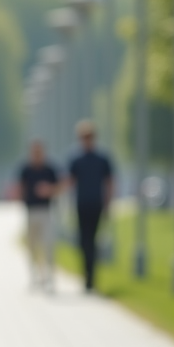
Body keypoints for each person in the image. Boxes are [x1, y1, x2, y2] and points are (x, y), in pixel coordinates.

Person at [64, 121, 114, 293]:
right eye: (83, 137)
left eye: (89, 137)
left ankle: (91, 278)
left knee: (93, 240)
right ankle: (86, 274)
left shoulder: (102, 158)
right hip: (81, 204)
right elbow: (69, 181)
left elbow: (109, 182)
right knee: (83, 241)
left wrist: (108, 203)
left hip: (96, 204)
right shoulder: (76, 159)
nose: (86, 140)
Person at [13, 140, 59, 291]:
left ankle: (50, 277)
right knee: (32, 246)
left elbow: (59, 186)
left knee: (48, 245)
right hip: (30, 211)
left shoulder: (50, 169)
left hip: (46, 211)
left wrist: (49, 190)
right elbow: (19, 187)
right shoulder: (26, 169)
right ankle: (34, 276)